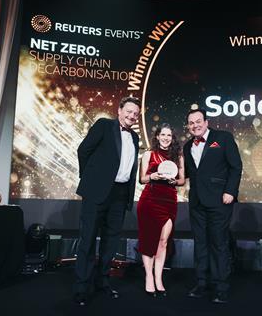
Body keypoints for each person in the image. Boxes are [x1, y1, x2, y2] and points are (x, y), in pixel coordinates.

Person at [73, 96, 141, 306]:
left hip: (120, 195)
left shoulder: (136, 137)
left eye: (135, 113)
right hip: (97, 193)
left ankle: (102, 282)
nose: (131, 115)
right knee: (88, 240)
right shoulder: (104, 125)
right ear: (119, 110)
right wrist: (91, 178)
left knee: (111, 242)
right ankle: (82, 288)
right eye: (128, 111)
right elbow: (83, 150)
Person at [183, 109, 242, 304]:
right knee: (200, 243)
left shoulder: (223, 138)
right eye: (191, 123)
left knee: (219, 243)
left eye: (198, 121)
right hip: (197, 202)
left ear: (206, 122)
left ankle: (221, 286)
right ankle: (201, 283)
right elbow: (189, 174)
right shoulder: (186, 146)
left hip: (219, 200)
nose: (195, 125)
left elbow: (235, 166)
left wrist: (230, 192)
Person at [137, 124, 185, 297]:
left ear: (172, 138)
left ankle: (159, 279)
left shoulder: (177, 156)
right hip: (150, 200)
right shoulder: (149, 154)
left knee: (163, 241)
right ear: (157, 136)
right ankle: (149, 277)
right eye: (162, 134)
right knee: (149, 239)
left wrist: (174, 181)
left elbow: (181, 181)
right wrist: (153, 176)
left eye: (169, 135)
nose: (165, 138)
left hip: (169, 200)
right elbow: (142, 179)